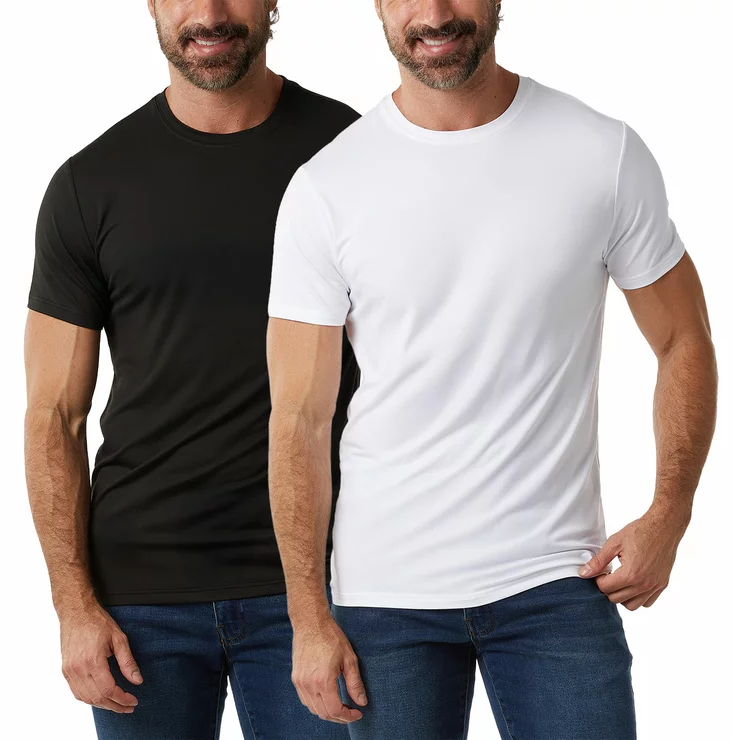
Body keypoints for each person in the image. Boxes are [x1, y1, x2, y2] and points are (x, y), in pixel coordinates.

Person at [265, 1, 718, 738]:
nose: (435, 13)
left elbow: (683, 338)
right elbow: (299, 420)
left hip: (556, 582)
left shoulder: (599, 151)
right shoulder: (328, 186)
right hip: (385, 596)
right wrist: (308, 617)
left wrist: (671, 512)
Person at [23, 1, 360, 738]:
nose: (208, 13)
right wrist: (73, 606)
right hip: (139, 601)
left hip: (320, 585)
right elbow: (54, 415)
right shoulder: (90, 183)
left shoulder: (351, 154)